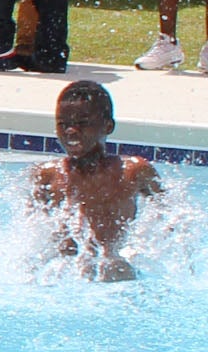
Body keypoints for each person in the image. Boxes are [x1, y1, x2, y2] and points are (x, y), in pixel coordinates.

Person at [32, 80, 161, 280]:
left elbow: (171, 219)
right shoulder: (48, 175)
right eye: (63, 124)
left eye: (82, 123)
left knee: (114, 267)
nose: (71, 131)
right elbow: (34, 232)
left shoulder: (133, 171)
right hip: (66, 271)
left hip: (114, 271)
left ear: (108, 126)